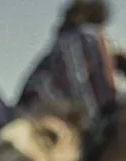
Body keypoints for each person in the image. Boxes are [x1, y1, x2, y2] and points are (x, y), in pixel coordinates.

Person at [16, 0, 117, 138]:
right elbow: (79, 81)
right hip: (54, 113)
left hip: (30, 111)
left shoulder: (64, 41)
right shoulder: (86, 36)